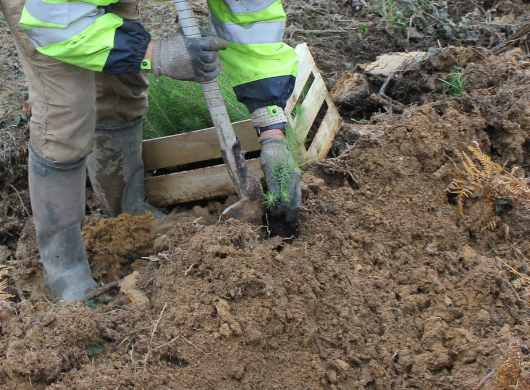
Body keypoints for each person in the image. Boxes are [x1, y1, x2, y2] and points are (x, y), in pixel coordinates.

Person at [0, 0, 301, 301]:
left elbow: (251, 20)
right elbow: (51, 21)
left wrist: (271, 129)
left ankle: (128, 215)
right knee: (66, 112)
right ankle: (64, 267)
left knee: (121, 88)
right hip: (48, 10)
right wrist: (156, 54)